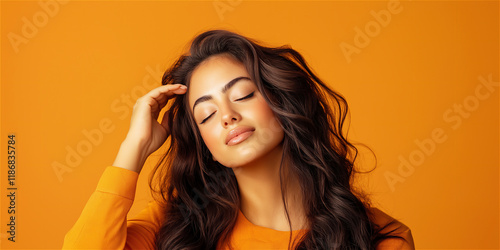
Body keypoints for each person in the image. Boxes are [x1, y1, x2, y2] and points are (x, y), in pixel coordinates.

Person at [62, 29, 415, 249]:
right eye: (207, 115)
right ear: (206, 146)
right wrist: (134, 147)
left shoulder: (380, 237)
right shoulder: (170, 229)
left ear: (281, 101)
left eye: (244, 94)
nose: (228, 115)